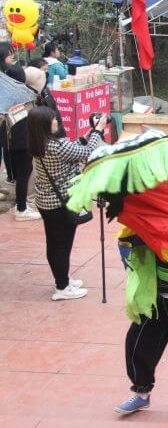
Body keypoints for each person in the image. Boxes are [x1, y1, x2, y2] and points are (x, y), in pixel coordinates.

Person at [65, 129, 168, 415]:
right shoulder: (138, 201)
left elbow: (164, 230)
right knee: (138, 343)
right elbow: (131, 225)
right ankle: (141, 391)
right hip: (154, 291)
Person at [28, 105, 105, 299]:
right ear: (44, 125)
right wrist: (98, 130)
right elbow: (86, 152)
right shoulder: (56, 145)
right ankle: (62, 288)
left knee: (54, 243)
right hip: (60, 203)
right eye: (53, 119)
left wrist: (88, 134)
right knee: (62, 245)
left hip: (45, 201)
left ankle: (62, 279)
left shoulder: (39, 142)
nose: (56, 121)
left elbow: (74, 149)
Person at [1, 43, 38, 220]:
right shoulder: (18, 93)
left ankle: (21, 205)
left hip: (9, 137)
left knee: (20, 171)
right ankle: (22, 209)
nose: (12, 58)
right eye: (9, 55)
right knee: (24, 171)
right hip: (18, 137)